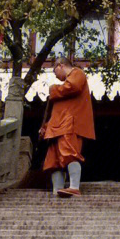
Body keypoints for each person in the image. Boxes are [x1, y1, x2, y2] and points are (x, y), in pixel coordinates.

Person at [39, 56, 96, 197]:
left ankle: (74, 186)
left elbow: (73, 87)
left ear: (60, 66)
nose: (56, 77)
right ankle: (57, 190)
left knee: (69, 154)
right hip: (57, 127)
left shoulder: (77, 73)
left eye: (55, 72)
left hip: (69, 124)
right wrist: (46, 127)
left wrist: (54, 90)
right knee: (54, 161)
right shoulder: (63, 87)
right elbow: (56, 112)